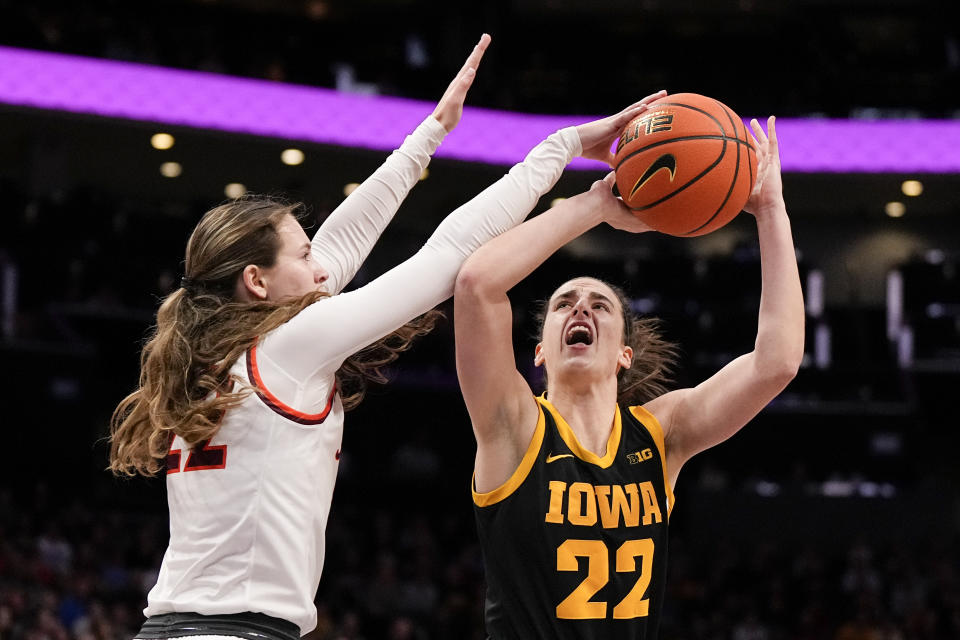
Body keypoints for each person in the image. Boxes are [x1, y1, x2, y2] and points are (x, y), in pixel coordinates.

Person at [108, 32, 663, 640]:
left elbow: (344, 243)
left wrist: (430, 133)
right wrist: (562, 160)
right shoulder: (290, 347)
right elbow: (452, 253)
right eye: (302, 255)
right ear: (257, 282)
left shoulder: (220, 348)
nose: (322, 267)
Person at [454, 116, 803, 639]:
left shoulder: (660, 435)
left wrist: (771, 211)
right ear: (540, 354)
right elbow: (478, 284)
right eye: (563, 304)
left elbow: (775, 363)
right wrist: (596, 203)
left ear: (623, 353)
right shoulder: (514, 427)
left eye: (600, 305)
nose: (581, 310)